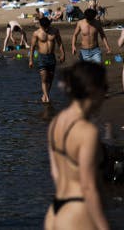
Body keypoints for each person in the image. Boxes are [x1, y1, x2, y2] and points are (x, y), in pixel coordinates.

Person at [44, 61, 110, 230]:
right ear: (93, 89)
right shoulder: (87, 132)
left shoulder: (55, 123)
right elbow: (88, 187)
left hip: (55, 212)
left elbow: (55, 173)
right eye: (105, 87)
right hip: (78, 213)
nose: (106, 94)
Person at [29, 17, 66, 103]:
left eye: (47, 27)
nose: (46, 29)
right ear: (40, 25)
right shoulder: (36, 33)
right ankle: (47, 97)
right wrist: (30, 60)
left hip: (51, 57)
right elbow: (32, 47)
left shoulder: (55, 31)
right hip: (42, 57)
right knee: (44, 79)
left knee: (51, 79)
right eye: (44, 27)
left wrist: (63, 54)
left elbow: (60, 43)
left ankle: (44, 95)